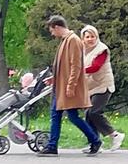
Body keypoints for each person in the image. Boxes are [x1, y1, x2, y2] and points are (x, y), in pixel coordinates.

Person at [40, 15, 101, 156]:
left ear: (57, 27)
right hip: (61, 86)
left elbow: (76, 65)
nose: (52, 34)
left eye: (52, 30)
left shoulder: (73, 40)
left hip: (66, 87)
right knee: (61, 115)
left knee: (66, 115)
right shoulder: (66, 40)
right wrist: (54, 78)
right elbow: (65, 66)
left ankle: (94, 140)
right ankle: (53, 145)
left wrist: (71, 86)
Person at [81, 25, 124, 151]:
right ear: (83, 38)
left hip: (103, 85)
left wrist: (80, 71)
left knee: (94, 112)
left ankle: (114, 135)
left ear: (97, 37)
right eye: (87, 37)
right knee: (88, 114)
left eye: (92, 36)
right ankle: (95, 143)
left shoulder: (102, 49)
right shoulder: (83, 50)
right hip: (92, 86)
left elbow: (96, 66)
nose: (90, 39)